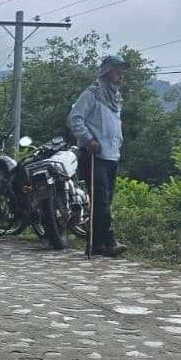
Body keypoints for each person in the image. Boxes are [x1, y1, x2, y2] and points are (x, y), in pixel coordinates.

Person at [69, 55, 129, 258]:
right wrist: (88, 140)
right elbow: (75, 119)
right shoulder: (92, 93)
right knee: (101, 200)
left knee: (104, 201)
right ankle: (110, 241)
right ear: (106, 71)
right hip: (94, 155)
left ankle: (95, 244)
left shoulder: (116, 97)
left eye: (122, 71)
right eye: (117, 70)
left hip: (112, 155)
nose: (121, 75)